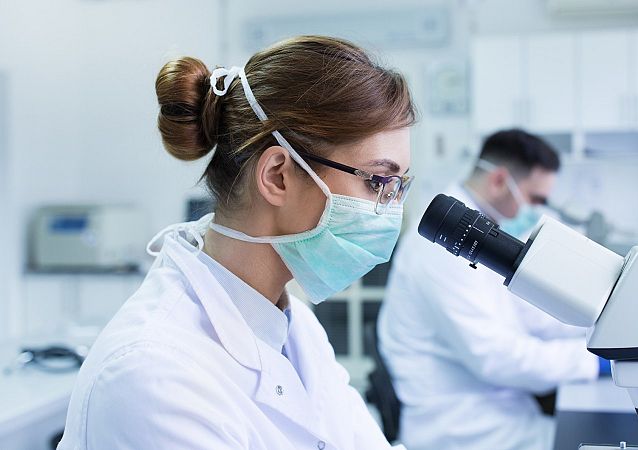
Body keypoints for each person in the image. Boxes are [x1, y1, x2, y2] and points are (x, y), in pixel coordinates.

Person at [58, 36, 415, 450]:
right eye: (378, 182)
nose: (391, 210)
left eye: (399, 186)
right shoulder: (154, 374)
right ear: (277, 176)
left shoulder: (297, 330)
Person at [378, 129, 607, 450]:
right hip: (466, 430)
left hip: (500, 412)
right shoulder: (442, 246)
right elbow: (496, 357)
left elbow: (528, 315)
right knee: (600, 439)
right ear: (499, 181)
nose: (538, 210)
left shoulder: (480, 234)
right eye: (535, 199)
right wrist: (594, 362)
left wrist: (602, 330)